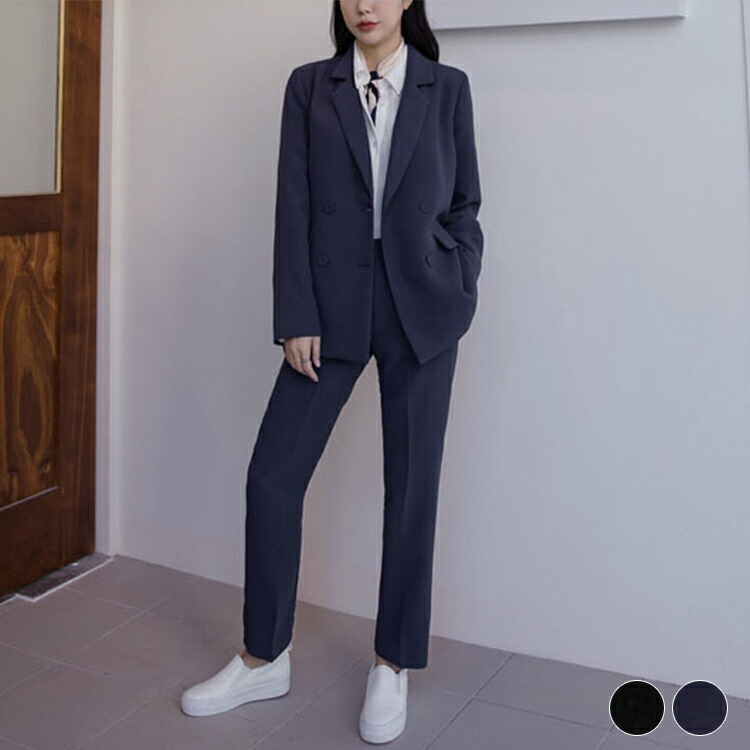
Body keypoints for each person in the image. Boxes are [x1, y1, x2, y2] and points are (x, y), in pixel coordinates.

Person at [181, 0, 483, 743]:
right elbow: (293, 201)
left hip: (420, 306)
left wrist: (457, 276)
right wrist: (296, 314)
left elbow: (465, 203)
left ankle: (392, 662)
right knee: (273, 476)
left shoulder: (446, 88)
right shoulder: (310, 86)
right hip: (331, 304)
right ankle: (263, 657)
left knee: (411, 490)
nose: (364, 4)